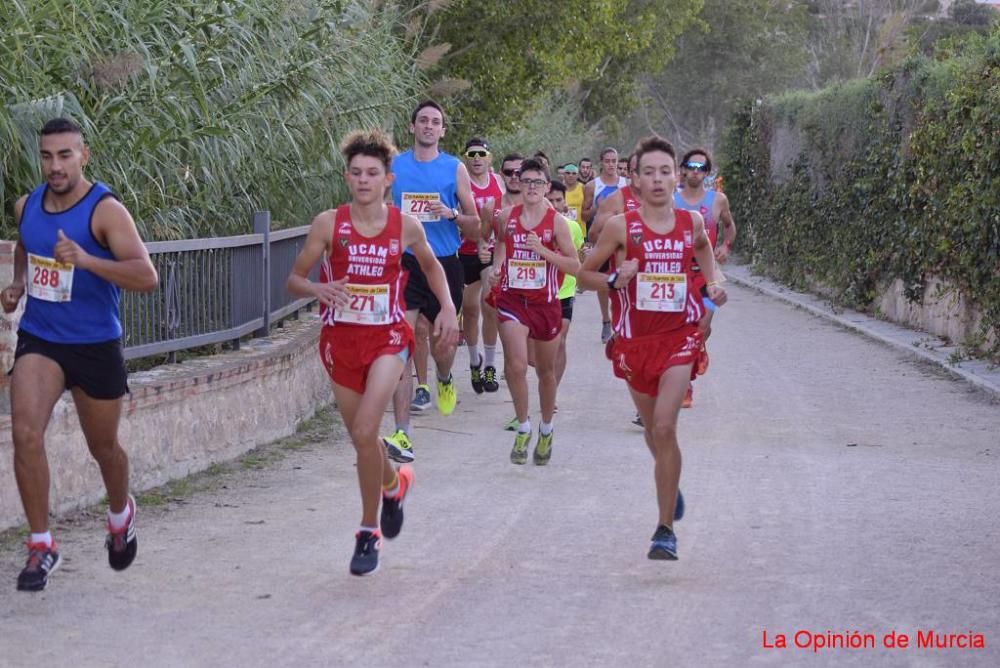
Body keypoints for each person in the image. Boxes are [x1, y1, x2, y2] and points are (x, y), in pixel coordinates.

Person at [287, 129, 459, 576]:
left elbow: (431, 266)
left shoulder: (406, 225)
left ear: (388, 180)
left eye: (373, 173)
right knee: (362, 438)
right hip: (341, 342)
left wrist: (448, 309)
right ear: (347, 179)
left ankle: (367, 533)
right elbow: (294, 279)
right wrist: (317, 287)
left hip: (387, 338)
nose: (364, 180)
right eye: (357, 173)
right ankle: (393, 483)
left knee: (367, 428)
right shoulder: (329, 223)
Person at [1, 118, 158, 591]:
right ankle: (42, 544)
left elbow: (146, 276)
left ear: (83, 155)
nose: (55, 165)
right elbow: (29, 244)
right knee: (26, 432)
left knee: (103, 448)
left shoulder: (105, 211)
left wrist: (87, 260)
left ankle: (119, 512)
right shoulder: (26, 205)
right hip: (41, 340)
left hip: (94, 344)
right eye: (47, 156)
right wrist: (18, 283)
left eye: (65, 155)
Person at [578, 135, 727, 561]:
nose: (659, 179)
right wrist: (613, 279)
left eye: (666, 171)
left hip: (679, 337)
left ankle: (664, 530)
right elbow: (584, 274)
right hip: (634, 343)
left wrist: (714, 284)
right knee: (652, 431)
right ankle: (670, 478)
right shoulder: (620, 226)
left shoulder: (691, 223)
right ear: (635, 180)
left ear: (676, 177)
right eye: (649, 172)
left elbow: (705, 256)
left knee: (665, 426)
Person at [381, 101, 479, 463]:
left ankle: (444, 376)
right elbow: (376, 204)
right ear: (412, 127)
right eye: (422, 120)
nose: (428, 126)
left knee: (443, 339)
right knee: (401, 343)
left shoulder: (454, 168)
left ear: (442, 131)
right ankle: (403, 432)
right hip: (405, 262)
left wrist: (450, 213)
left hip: (444, 261)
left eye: (435, 122)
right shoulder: (395, 166)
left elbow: (474, 223)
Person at [487, 158, 579, 465]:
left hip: (546, 304)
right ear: (517, 183)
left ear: (546, 185)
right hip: (513, 300)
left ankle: (546, 428)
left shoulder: (557, 223)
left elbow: (574, 267)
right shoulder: (506, 217)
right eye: (525, 180)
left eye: (537, 182)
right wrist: (498, 267)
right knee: (514, 365)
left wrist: (542, 251)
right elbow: (501, 244)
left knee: (545, 372)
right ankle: (523, 426)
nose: (531, 187)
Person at [674, 148, 737, 407]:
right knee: (681, 330)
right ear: (683, 169)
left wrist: (726, 246)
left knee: (702, 326)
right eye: (691, 166)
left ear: (707, 173)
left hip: (708, 275)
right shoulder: (672, 199)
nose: (696, 171)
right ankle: (684, 383)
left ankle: (696, 349)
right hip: (678, 276)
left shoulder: (718, 200)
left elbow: (729, 226)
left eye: (701, 168)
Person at [458, 137, 503, 395]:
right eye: (471, 153)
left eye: (481, 154)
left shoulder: (498, 183)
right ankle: (474, 361)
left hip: (490, 252)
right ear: (466, 158)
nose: (476, 158)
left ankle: (490, 366)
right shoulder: (461, 184)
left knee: (490, 305)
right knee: (471, 310)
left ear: (489, 157)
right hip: (464, 252)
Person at [581, 147, 628, 343]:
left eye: (614, 160)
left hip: (623, 241)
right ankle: (606, 320)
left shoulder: (627, 184)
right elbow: (584, 215)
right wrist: (599, 208)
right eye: (607, 160)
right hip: (600, 238)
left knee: (624, 281)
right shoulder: (593, 186)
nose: (611, 164)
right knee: (604, 282)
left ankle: (623, 319)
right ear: (601, 162)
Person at [545, 181, 585, 390]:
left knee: (559, 341)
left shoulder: (573, 227)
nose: (553, 204)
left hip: (564, 291)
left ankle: (553, 389)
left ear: (564, 203)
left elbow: (578, 258)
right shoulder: (529, 226)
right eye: (549, 200)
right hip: (538, 293)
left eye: (558, 200)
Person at [562, 164, 585, 233]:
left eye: (574, 173)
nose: (571, 175)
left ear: (578, 175)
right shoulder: (559, 189)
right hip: (563, 229)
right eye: (568, 173)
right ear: (563, 175)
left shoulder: (583, 188)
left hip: (580, 229)